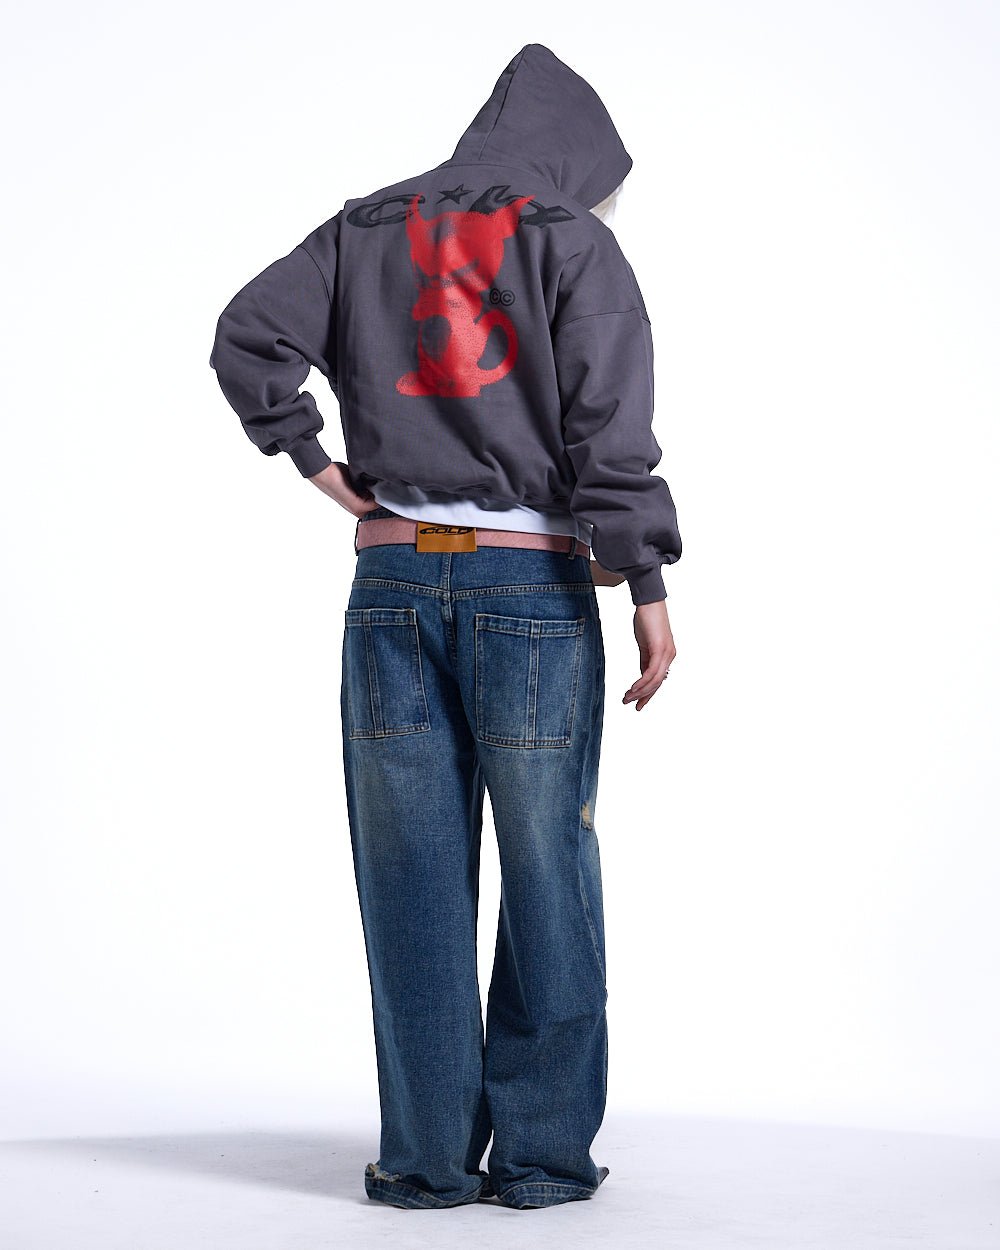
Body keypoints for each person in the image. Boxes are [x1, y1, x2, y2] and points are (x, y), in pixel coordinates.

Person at [209, 42, 682, 1211]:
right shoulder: (572, 240)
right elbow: (609, 423)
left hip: (389, 587)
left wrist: (320, 468)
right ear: (576, 158)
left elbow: (247, 335)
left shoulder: (363, 225)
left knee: (408, 878)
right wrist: (644, 579)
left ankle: (423, 1160)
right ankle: (541, 1156)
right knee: (547, 872)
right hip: (531, 590)